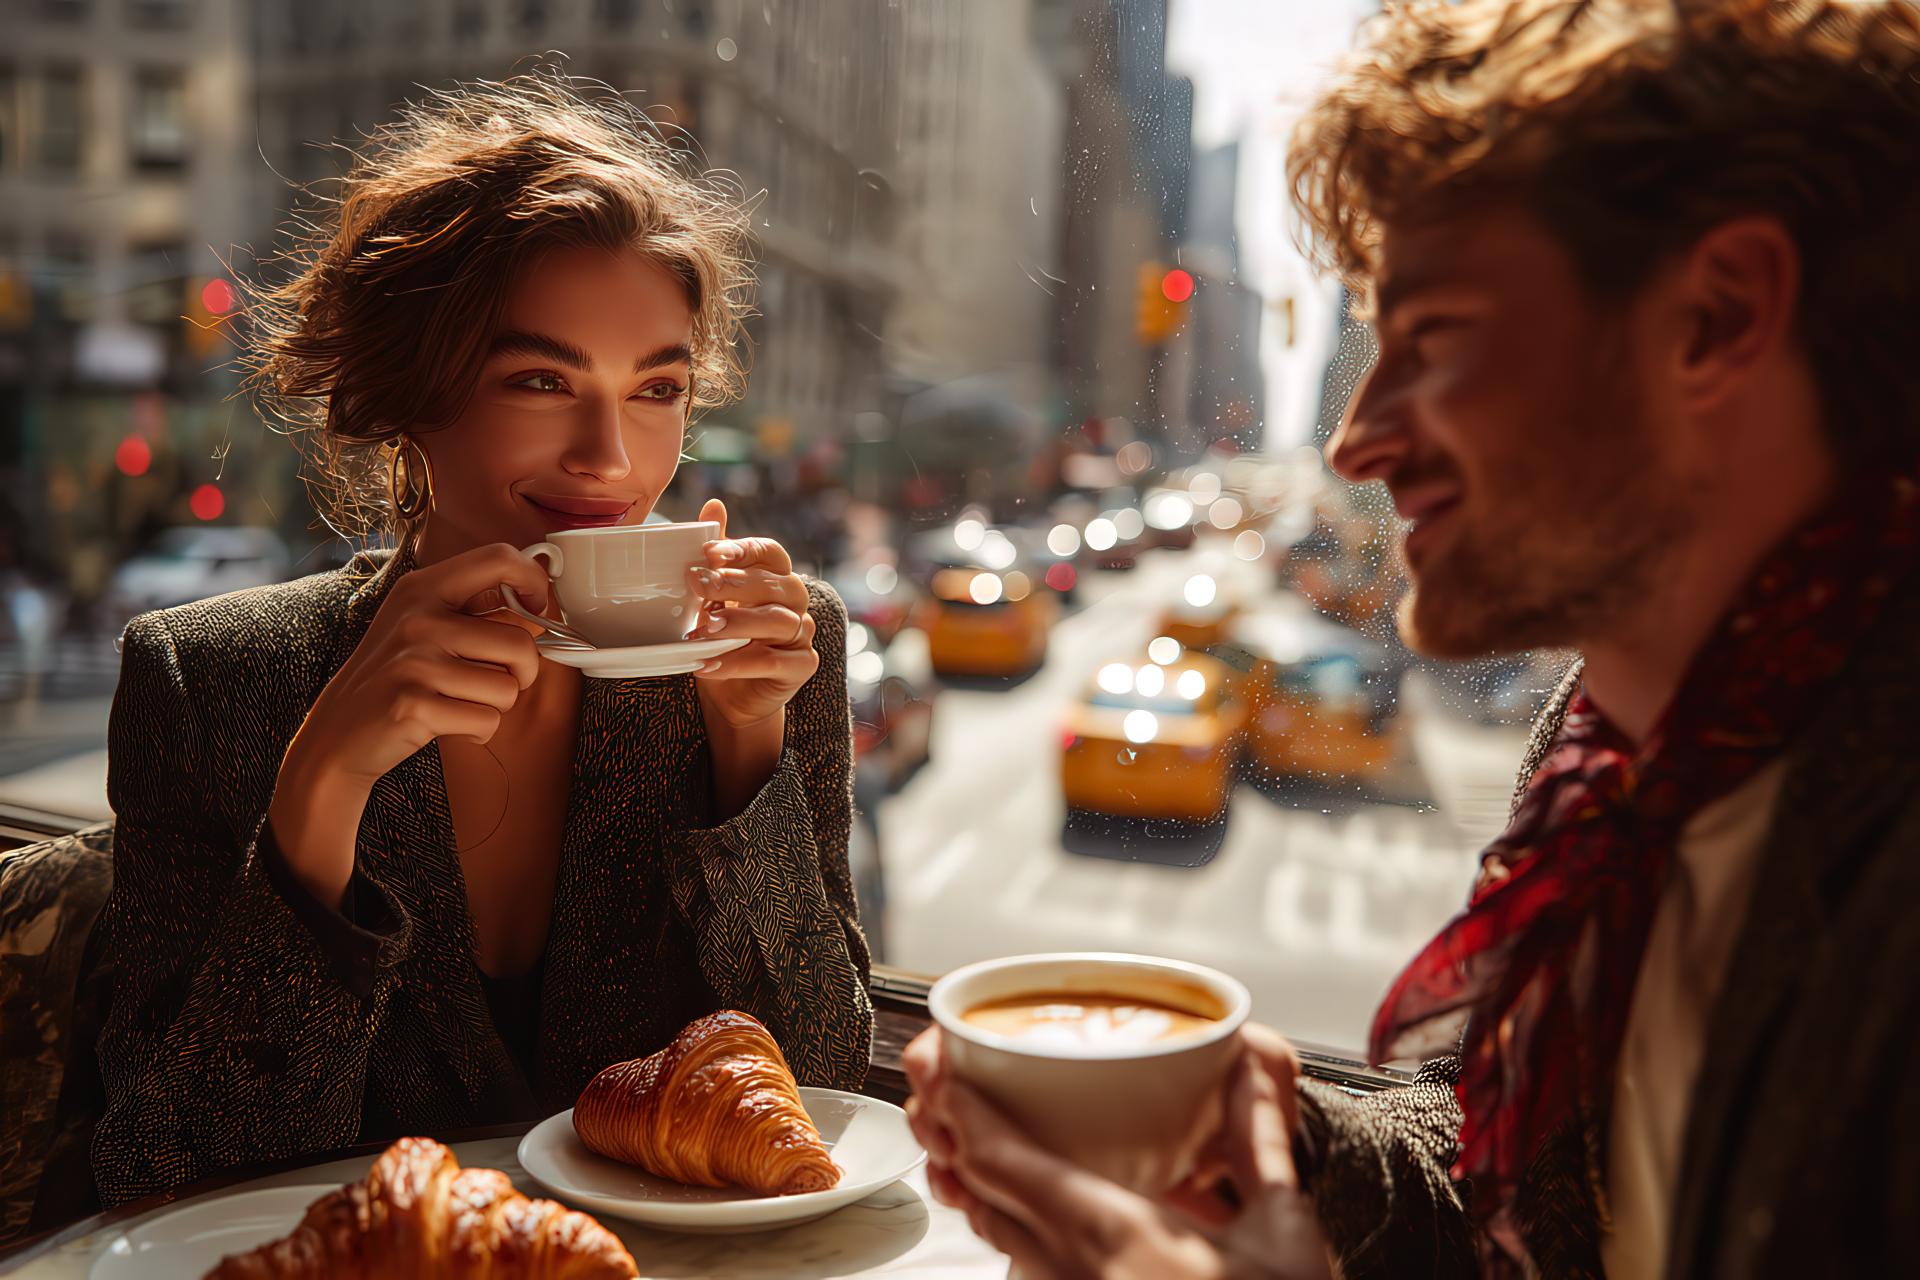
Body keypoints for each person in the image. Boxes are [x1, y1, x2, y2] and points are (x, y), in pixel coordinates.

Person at [905, 1, 1920, 1275]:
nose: (1355, 441)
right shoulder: (1607, 753)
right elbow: (1533, 1195)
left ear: (1715, 317)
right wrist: (1290, 1152)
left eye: (1431, 340)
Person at [88, 73, 873, 1206]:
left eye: (658, 388)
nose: (612, 457)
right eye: (542, 379)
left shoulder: (777, 656)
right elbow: (162, 1172)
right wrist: (321, 785)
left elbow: (825, 1095)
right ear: (408, 393)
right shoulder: (211, 682)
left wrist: (747, 757)